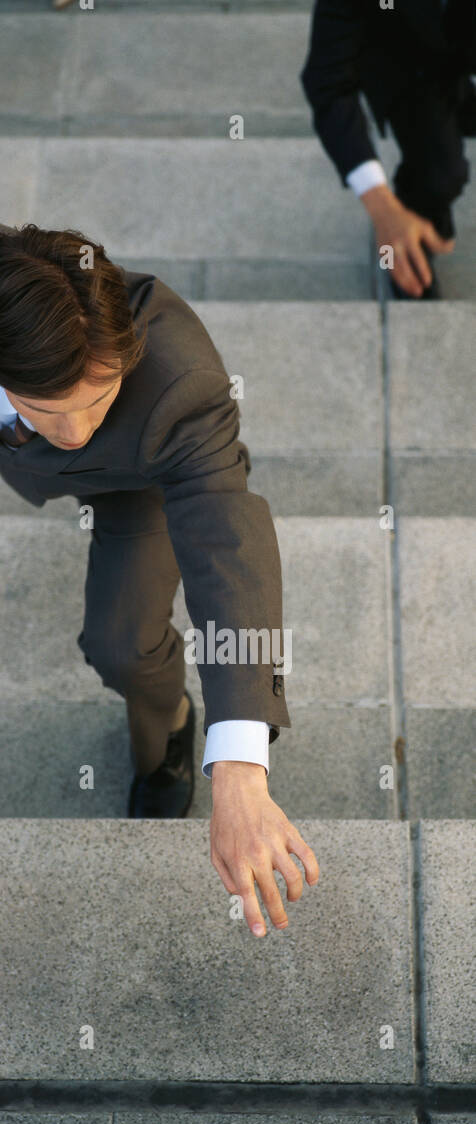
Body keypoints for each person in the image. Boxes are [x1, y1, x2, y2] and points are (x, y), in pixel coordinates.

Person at [0, 222, 319, 938]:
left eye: (99, 395)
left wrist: (240, 763)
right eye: (51, 408)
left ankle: (171, 729)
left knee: (120, 642)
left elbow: (229, 544)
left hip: (144, 478)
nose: (78, 431)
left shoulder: (181, 387)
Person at [301, 0, 476, 298]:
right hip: (407, 61)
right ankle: (415, 234)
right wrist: (382, 209)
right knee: (440, 173)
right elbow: (328, 84)